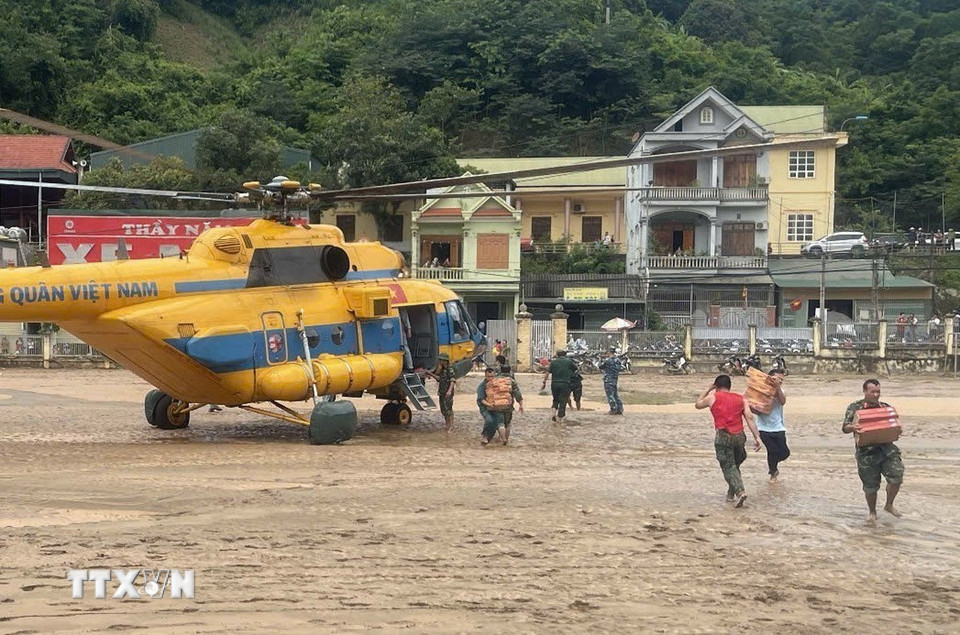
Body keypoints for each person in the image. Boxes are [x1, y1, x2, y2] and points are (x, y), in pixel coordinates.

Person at [842, 378, 904, 522]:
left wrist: (898, 430)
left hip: (887, 449)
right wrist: (853, 427)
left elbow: (895, 424)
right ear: (865, 391)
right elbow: (845, 427)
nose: (876, 395)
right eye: (872, 392)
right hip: (866, 452)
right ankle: (872, 512)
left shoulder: (886, 407)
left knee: (897, 477)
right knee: (870, 485)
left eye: (878, 392)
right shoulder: (855, 407)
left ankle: (889, 505)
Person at [695, 375, 761, 508]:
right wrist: (757, 437)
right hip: (739, 436)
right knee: (734, 465)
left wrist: (708, 388)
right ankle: (730, 494)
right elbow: (749, 417)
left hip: (723, 435)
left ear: (716, 387)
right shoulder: (741, 398)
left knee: (728, 467)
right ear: (730, 386)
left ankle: (740, 491)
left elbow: (697, 404)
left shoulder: (713, 397)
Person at [753, 368, 789, 482]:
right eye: (776, 379)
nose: (779, 381)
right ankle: (773, 473)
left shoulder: (781, 391)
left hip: (778, 427)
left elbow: (782, 402)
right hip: (763, 427)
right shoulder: (760, 391)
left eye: (781, 379)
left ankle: (773, 466)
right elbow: (755, 410)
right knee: (772, 450)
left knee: (784, 453)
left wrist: (777, 387)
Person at [541, 350, 579, 423]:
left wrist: (544, 382)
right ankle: (559, 419)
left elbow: (547, 373)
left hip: (555, 384)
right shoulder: (569, 362)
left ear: (557, 355)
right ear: (565, 355)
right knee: (563, 401)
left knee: (555, 400)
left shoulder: (553, 362)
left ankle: (553, 414)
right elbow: (576, 369)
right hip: (565, 384)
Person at [427, 353, 456, 432]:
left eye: (441, 360)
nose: (439, 361)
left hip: (447, 392)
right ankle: (447, 425)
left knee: (448, 409)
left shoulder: (450, 369)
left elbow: (452, 380)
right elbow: (439, 379)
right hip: (442, 392)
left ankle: (451, 426)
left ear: (445, 361)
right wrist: (431, 374)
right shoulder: (442, 369)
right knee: (443, 409)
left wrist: (449, 391)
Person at [477, 366, 505, 445]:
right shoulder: (482, 386)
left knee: (495, 422)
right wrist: (489, 404)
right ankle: (485, 436)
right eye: (488, 377)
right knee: (489, 420)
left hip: (495, 407)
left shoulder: (497, 385)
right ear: (485, 376)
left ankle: (489, 439)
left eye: (492, 376)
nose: (491, 378)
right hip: (485, 407)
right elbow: (481, 399)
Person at [497, 365, 524, 445]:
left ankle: (503, 438)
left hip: (497, 405)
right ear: (509, 371)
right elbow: (517, 394)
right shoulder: (512, 381)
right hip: (508, 405)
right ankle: (507, 439)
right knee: (507, 423)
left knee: (500, 423)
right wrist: (521, 405)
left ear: (501, 371)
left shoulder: (495, 380)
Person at [598, 348, 623, 415]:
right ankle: (619, 408)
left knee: (610, 395)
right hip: (615, 379)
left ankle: (613, 409)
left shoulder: (607, 360)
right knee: (615, 394)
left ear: (609, 352)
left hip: (608, 379)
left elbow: (600, 367)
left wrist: (600, 360)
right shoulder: (618, 360)